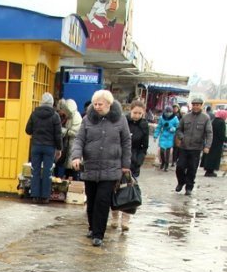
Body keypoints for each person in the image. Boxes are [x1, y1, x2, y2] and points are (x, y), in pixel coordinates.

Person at [71, 89, 131, 247]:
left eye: (100, 104)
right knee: (91, 201)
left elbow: (126, 142)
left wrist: (126, 165)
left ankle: (99, 234)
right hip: (90, 167)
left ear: (109, 104)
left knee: (102, 201)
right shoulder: (87, 119)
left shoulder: (120, 120)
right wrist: (76, 157)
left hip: (111, 168)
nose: (97, 107)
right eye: (95, 104)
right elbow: (79, 140)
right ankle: (92, 227)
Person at [110, 99, 149, 231]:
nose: (136, 115)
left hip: (134, 161)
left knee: (129, 189)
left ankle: (126, 219)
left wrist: (139, 160)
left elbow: (144, 147)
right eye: (134, 112)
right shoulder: (123, 121)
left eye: (139, 113)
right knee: (114, 188)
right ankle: (114, 215)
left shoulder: (144, 126)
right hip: (118, 159)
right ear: (130, 111)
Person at [25, 92, 62, 203]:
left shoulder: (34, 114)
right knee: (47, 172)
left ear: (41, 102)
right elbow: (58, 135)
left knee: (35, 170)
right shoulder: (55, 116)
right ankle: (45, 197)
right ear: (51, 103)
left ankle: (35, 195)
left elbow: (28, 130)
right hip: (49, 147)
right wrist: (59, 149)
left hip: (36, 146)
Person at [174, 95, 213, 195]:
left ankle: (189, 187)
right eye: (194, 105)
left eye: (198, 105)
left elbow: (209, 133)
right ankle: (181, 182)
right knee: (180, 167)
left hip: (196, 148)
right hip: (184, 147)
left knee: (192, 169)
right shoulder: (186, 117)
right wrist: (181, 137)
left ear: (201, 106)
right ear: (191, 106)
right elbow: (179, 129)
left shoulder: (205, 118)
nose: (196, 106)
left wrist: (207, 146)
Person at [56, 98, 82, 178]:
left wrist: (64, 131)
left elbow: (75, 132)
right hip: (69, 145)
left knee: (73, 167)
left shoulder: (76, 117)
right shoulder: (70, 117)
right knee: (68, 167)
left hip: (73, 145)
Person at [153, 105, 179, 171]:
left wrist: (174, 129)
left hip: (170, 136)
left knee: (168, 151)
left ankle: (166, 165)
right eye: (167, 112)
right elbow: (159, 127)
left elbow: (178, 127)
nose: (168, 113)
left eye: (169, 112)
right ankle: (163, 162)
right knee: (162, 150)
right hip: (163, 135)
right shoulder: (162, 118)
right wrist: (155, 136)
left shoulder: (175, 118)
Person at [202, 110, 226, 177]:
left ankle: (208, 170)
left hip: (211, 141)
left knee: (209, 156)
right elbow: (221, 134)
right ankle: (210, 171)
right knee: (214, 157)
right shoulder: (221, 122)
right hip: (217, 143)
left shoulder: (213, 120)